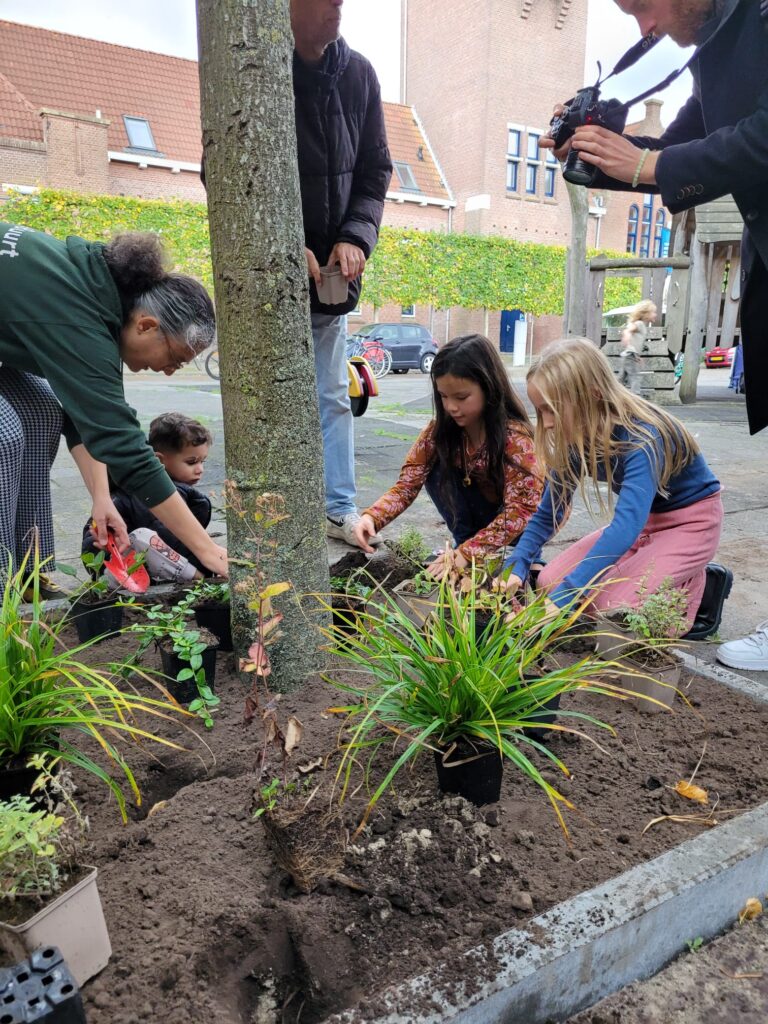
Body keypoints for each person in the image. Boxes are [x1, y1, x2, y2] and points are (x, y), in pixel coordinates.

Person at [543, 0, 768, 663]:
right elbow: (678, 159)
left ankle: (696, 591)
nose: (644, 28)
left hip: (672, 523)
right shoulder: (718, 46)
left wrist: (644, 166)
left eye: (641, 5)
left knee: (613, 604)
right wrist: (599, 154)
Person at [0, 223, 228, 592]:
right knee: (4, 433)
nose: (170, 372)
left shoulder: (98, 294)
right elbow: (126, 449)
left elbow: (84, 414)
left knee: (43, 411)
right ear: (146, 325)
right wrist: (209, 551)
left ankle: (24, 571)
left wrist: (102, 499)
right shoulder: (77, 316)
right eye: (175, 358)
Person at [500, 339, 723, 630]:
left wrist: (568, 596)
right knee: (548, 583)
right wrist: (519, 560)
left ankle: (696, 585)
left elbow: (624, 527)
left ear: (592, 395)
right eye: (540, 410)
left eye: (551, 409)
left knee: (613, 610)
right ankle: (652, 561)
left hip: (691, 523)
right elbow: (549, 512)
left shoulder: (643, 438)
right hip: (645, 522)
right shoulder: (575, 437)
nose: (547, 422)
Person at [291, 0, 392, 547]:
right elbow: (229, 170)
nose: (337, 7)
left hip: (331, 283)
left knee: (332, 395)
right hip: (270, 280)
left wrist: (355, 235)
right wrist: (285, 246)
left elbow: (376, 170)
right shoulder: (257, 73)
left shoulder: (360, 75)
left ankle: (338, 507)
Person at [352, 334, 544, 577]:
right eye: (443, 396)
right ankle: (466, 544)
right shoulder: (440, 431)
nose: (451, 407)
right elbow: (407, 484)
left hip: (522, 524)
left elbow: (522, 510)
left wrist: (467, 554)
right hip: (476, 522)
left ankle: (524, 558)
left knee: (514, 568)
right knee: (436, 464)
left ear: (488, 387)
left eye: (461, 397)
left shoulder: (516, 439)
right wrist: (372, 517)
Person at [81, 413, 215, 583]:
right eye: (191, 462)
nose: (200, 469)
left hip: (137, 564)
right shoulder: (155, 495)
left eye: (203, 462)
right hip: (115, 562)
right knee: (145, 537)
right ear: (159, 460)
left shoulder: (185, 492)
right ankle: (198, 578)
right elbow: (172, 540)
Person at [618, 300, 656, 395]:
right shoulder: (639, 324)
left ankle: (612, 394)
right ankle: (636, 397)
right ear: (646, 314)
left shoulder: (641, 325)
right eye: (653, 312)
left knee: (621, 379)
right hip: (630, 355)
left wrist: (638, 357)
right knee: (635, 377)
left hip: (630, 355)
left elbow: (635, 342)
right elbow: (629, 329)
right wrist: (627, 334)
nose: (655, 314)